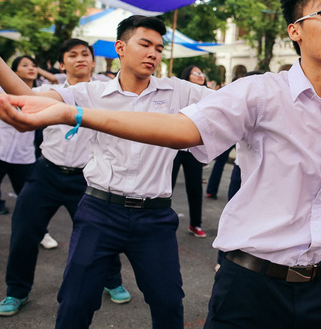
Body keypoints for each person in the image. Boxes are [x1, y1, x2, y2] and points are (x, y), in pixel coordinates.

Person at [0, 0, 321, 328]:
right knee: (79, 302)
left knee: (168, 305)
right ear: (295, 31)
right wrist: (74, 113)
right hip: (249, 285)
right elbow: (181, 130)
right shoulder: (259, 92)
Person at [0, 16, 214, 328]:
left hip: (154, 217)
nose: (153, 53)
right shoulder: (91, 93)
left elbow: (235, 103)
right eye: (145, 44)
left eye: (158, 47)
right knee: (75, 301)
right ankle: (18, 290)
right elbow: (32, 100)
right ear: (120, 48)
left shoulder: (179, 92)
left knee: (168, 303)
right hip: (100, 211)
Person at [0, 39, 130, 317]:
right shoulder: (50, 92)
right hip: (46, 173)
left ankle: (113, 281)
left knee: (101, 235)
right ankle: (16, 291)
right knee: (24, 233)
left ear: (93, 62)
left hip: (87, 179)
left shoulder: (106, 94)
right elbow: (21, 96)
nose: (80, 58)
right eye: (72, 55)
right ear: (62, 64)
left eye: (85, 54)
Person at [171, 64, 209, 238]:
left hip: (194, 147)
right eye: (196, 73)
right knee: (166, 184)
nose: (200, 75)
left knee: (194, 187)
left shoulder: (209, 95)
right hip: (174, 145)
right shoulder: (178, 92)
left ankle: (195, 224)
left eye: (201, 73)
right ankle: (163, 221)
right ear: (187, 75)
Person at [0, 56, 38, 215]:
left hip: (24, 156)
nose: (31, 68)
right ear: (13, 72)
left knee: (28, 198)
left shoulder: (44, 94)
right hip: (0, 151)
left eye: (34, 65)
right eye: (25, 65)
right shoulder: (2, 92)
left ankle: (41, 231)